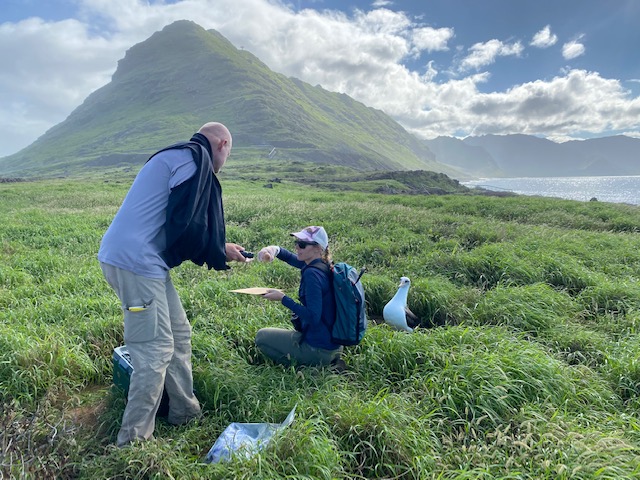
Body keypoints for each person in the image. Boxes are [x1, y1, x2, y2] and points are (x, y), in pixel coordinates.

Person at [98, 122, 248, 447]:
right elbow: (188, 226)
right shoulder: (193, 161)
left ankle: (184, 412)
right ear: (222, 144)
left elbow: (180, 222)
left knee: (179, 333)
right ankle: (132, 443)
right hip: (136, 263)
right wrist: (218, 250)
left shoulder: (179, 156)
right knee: (155, 350)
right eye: (229, 153)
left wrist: (219, 247)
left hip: (146, 260)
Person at [255, 226, 344, 367]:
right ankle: (328, 362)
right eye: (296, 243)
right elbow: (290, 257)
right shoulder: (324, 264)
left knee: (261, 337)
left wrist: (283, 298)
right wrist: (272, 250)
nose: (297, 247)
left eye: (302, 245)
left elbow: (313, 317)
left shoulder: (312, 275)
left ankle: (309, 368)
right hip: (334, 346)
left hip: (318, 348)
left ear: (318, 248)